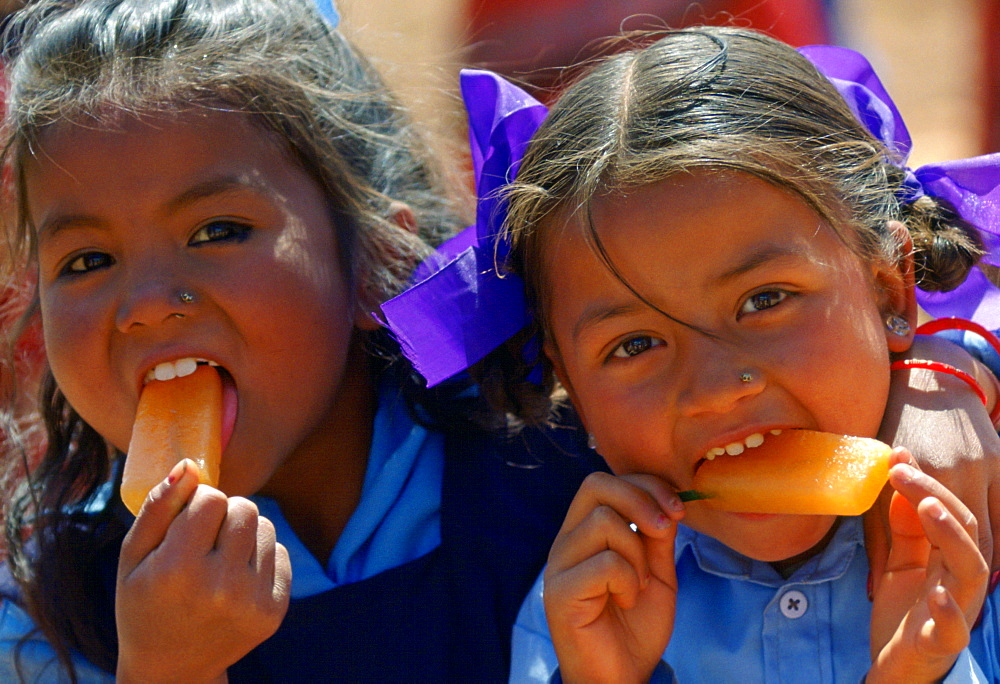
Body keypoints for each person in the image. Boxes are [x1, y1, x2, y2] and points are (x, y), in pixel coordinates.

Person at [0, 0, 606, 681]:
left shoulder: (567, 479)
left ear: (375, 262)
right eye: (86, 262)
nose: (143, 306)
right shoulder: (47, 615)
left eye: (216, 231)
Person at [387, 27, 1000, 682]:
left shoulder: (976, 544)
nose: (714, 388)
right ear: (570, 386)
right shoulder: (583, 614)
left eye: (764, 301)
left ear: (890, 292)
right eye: (636, 345)